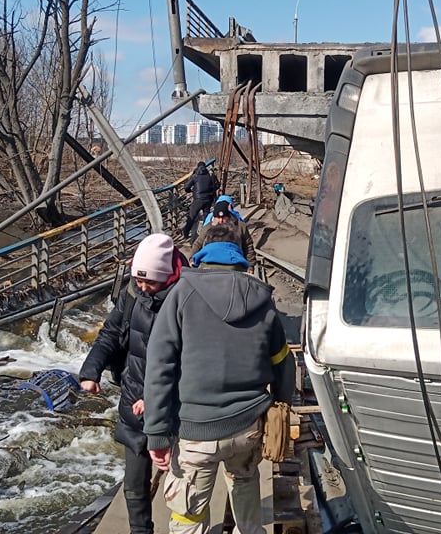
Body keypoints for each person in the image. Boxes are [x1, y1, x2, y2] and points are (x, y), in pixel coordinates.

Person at [142, 265, 296, 534]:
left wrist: (156, 433)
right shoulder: (260, 299)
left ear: (201, 259)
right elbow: (283, 360)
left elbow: (159, 367)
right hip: (248, 426)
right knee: (245, 482)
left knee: (188, 513)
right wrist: (281, 404)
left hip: (196, 431)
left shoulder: (182, 294)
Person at [78, 233, 187, 534]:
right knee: (134, 486)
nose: (142, 287)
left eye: (148, 282)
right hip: (133, 400)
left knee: (182, 484)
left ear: (166, 275)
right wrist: (91, 371)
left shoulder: (188, 297)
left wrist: (157, 398)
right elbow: (111, 333)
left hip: (175, 408)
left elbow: (196, 360)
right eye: (138, 279)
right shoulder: (132, 292)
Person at [189, 198, 256, 267]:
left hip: (235, 262)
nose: (220, 220)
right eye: (218, 217)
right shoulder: (208, 228)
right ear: (214, 217)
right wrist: (192, 259)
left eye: (223, 217)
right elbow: (198, 243)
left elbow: (248, 246)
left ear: (228, 216)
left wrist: (250, 265)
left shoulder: (240, 227)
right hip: (211, 262)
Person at [181, 162, 219, 238]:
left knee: (192, 216)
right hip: (208, 199)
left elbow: (186, 186)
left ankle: (186, 232)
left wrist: (190, 190)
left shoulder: (195, 175)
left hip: (198, 199)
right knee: (206, 217)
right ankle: (205, 234)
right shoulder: (210, 175)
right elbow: (217, 185)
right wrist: (211, 190)